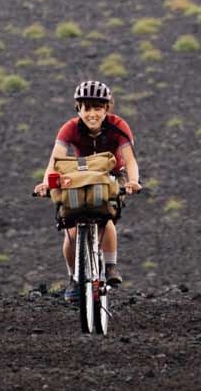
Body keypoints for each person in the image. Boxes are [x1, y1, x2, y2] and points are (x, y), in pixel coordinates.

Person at [32, 79, 142, 299]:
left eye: (98, 108)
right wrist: (46, 182)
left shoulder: (118, 125)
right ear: (78, 109)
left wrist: (133, 181)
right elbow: (55, 160)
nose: (92, 113)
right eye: (86, 108)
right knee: (70, 229)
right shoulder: (70, 128)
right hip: (79, 176)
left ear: (107, 108)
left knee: (106, 217)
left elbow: (129, 160)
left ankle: (110, 266)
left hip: (111, 175)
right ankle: (74, 278)